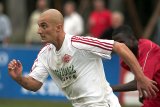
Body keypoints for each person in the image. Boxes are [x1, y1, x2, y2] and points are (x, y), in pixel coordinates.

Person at [8, 9, 158, 107]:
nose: (39, 31)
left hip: (103, 104)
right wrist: (19, 78)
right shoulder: (45, 54)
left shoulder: (78, 43)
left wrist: (140, 77)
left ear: (58, 27)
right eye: (39, 26)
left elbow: (120, 47)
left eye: (44, 26)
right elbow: (35, 84)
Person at [110, 25, 160, 107]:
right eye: (117, 44)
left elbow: (141, 80)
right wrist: (142, 93)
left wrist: (110, 88)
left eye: (122, 42)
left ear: (132, 39)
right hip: (154, 97)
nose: (120, 47)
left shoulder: (147, 47)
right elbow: (139, 78)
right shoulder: (125, 61)